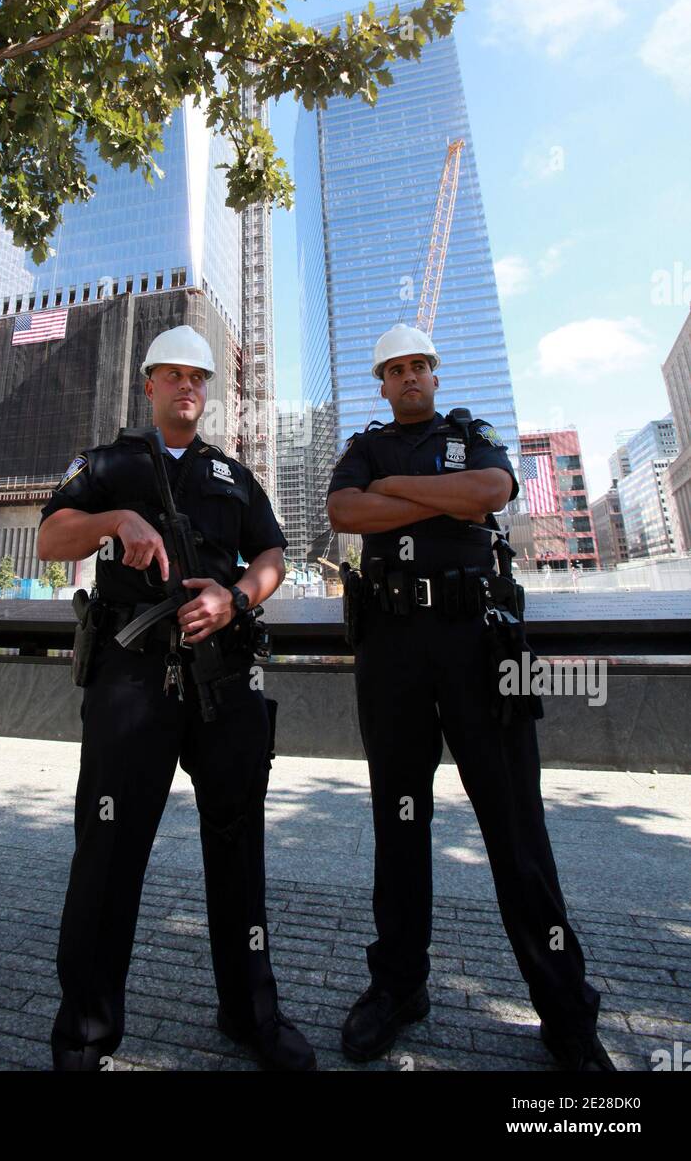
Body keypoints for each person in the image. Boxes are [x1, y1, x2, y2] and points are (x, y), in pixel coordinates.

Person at [326, 323, 615, 1073]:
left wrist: (398, 492)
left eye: (420, 364)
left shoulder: (470, 435)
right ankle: (398, 986)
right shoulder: (363, 447)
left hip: (476, 643)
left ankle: (565, 1013)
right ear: (382, 383)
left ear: (436, 374)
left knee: (517, 828)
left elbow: (492, 491)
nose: (410, 376)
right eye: (396, 368)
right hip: (391, 649)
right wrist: (437, 504)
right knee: (399, 822)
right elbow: (344, 514)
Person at [38, 324, 316, 1072]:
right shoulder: (108, 463)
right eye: (173, 375)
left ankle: (251, 1011)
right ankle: (85, 1034)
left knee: (239, 849)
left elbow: (273, 554)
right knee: (108, 853)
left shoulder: (232, 474)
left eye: (199, 377)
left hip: (223, 677)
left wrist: (236, 597)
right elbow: (52, 537)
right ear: (150, 383)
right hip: (131, 678)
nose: (188, 387)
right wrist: (114, 520)